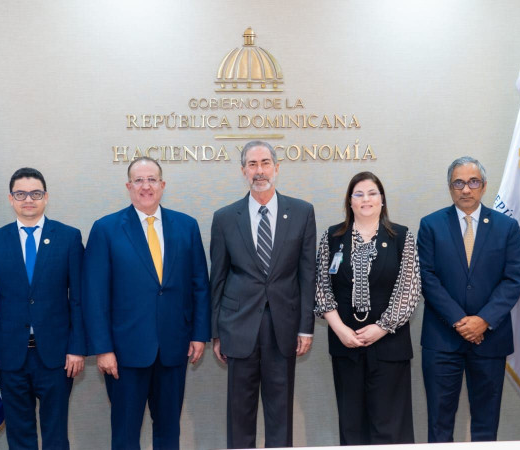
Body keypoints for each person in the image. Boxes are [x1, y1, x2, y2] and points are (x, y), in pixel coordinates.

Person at [83, 157, 211, 449]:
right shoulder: (106, 229)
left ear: (163, 185)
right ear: (128, 186)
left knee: (169, 432)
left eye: (152, 179)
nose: (146, 186)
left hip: (173, 349)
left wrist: (199, 335)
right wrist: (103, 348)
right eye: (139, 180)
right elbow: (95, 295)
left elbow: (199, 285)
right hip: (124, 355)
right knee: (126, 434)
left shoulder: (186, 226)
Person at [210, 140, 316, 448]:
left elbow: (308, 275)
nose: (260, 170)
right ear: (243, 171)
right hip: (238, 327)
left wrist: (305, 327)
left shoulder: (302, 212)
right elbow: (217, 277)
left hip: (284, 327)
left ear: (277, 168)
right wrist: (216, 332)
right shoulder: (226, 217)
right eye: (252, 164)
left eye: (265, 163)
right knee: (239, 414)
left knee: (280, 412)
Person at [0, 167, 86, 449]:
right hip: (10, 357)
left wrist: (77, 348)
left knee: (55, 434)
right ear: (11, 199)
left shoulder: (69, 238)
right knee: (20, 435)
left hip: (57, 357)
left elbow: (79, 300)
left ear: (45, 197)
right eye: (21, 194)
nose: (28, 200)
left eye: (35, 193)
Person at [418, 156, 520, 442]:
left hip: (490, 339)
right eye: (459, 183)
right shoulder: (430, 225)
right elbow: (427, 278)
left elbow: (513, 279)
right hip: (442, 339)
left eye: (473, 182)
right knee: (439, 424)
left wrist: (483, 321)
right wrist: (460, 321)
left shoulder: (506, 227)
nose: (466, 189)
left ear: (484, 186)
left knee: (486, 424)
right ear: (450, 187)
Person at [314, 171, 421, 445]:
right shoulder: (332, 237)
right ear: (349, 201)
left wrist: (382, 328)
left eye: (372, 193)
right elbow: (321, 287)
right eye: (358, 194)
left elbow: (409, 289)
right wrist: (340, 329)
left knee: (390, 426)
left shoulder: (401, 236)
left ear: (382, 200)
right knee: (352, 426)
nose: (366, 199)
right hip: (346, 346)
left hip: (389, 347)